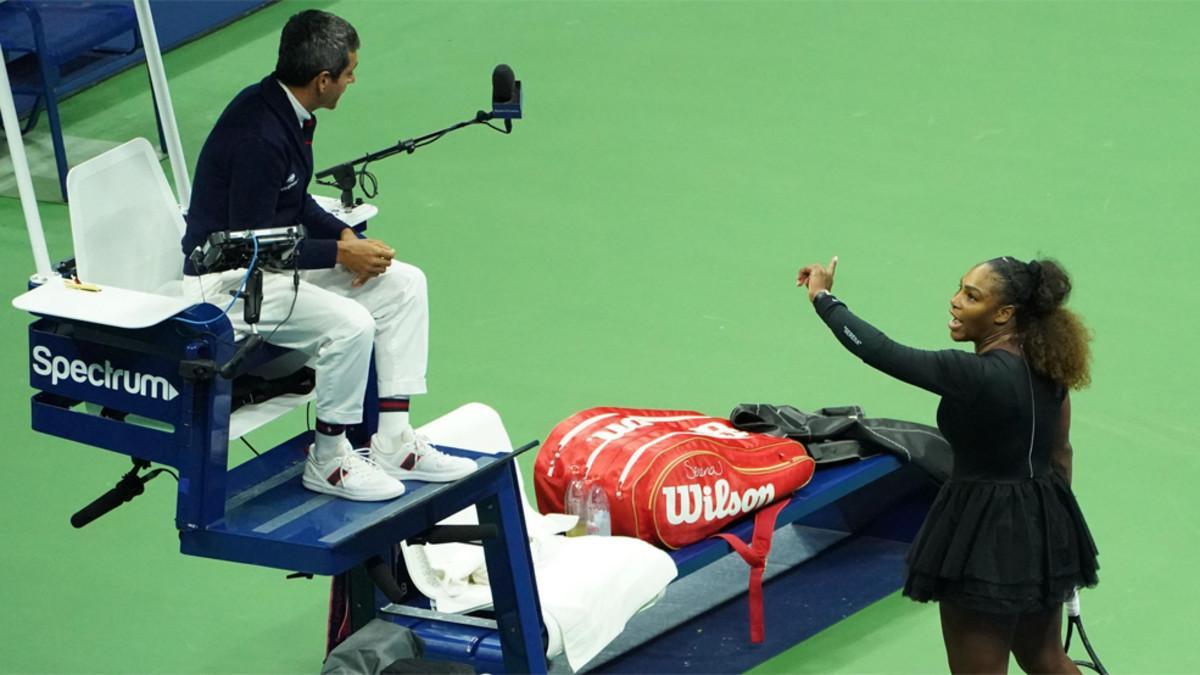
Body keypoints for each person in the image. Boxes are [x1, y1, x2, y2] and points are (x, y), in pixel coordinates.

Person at [180, 10, 475, 501]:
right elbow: (250, 245)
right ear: (322, 80)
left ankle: (394, 442)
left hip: (266, 267)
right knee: (351, 324)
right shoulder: (259, 135)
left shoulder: (287, 112)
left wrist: (345, 238)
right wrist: (340, 254)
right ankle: (330, 460)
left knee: (404, 285)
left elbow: (293, 207)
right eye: (349, 72)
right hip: (228, 285)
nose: (353, 79)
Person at [797, 255, 1099, 673]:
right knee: (1046, 657)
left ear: (1004, 314)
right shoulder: (1049, 367)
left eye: (972, 296)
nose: (955, 302)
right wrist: (1057, 543)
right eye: (960, 288)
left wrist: (823, 298)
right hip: (1045, 521)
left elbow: (879, 350)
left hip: (983, 535)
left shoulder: (973, 374)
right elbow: (1060, 453)